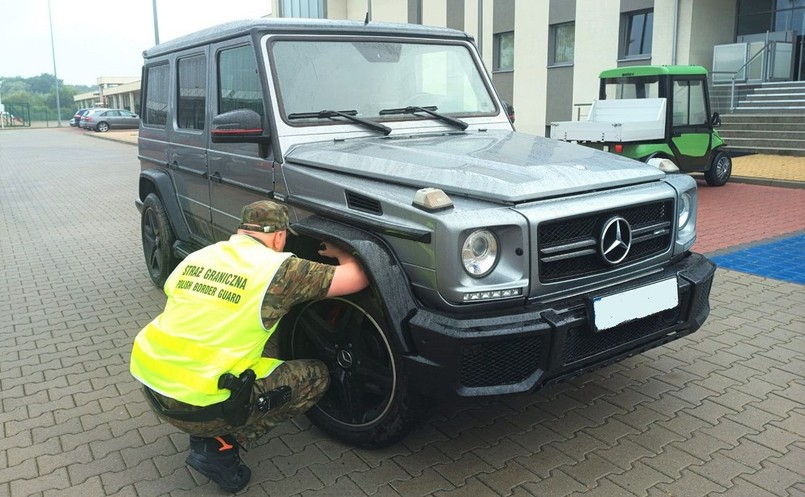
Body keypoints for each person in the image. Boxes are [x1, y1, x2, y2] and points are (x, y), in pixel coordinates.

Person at [130, 200, 368, 492]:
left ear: (241, 230)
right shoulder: (280, 270)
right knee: (315, 377)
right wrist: (341, 251)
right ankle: (221, 445)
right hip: (198, 404)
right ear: (280, 237)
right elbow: (358, 277)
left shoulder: (199, 257)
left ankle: (207, 425)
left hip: (153, 387)